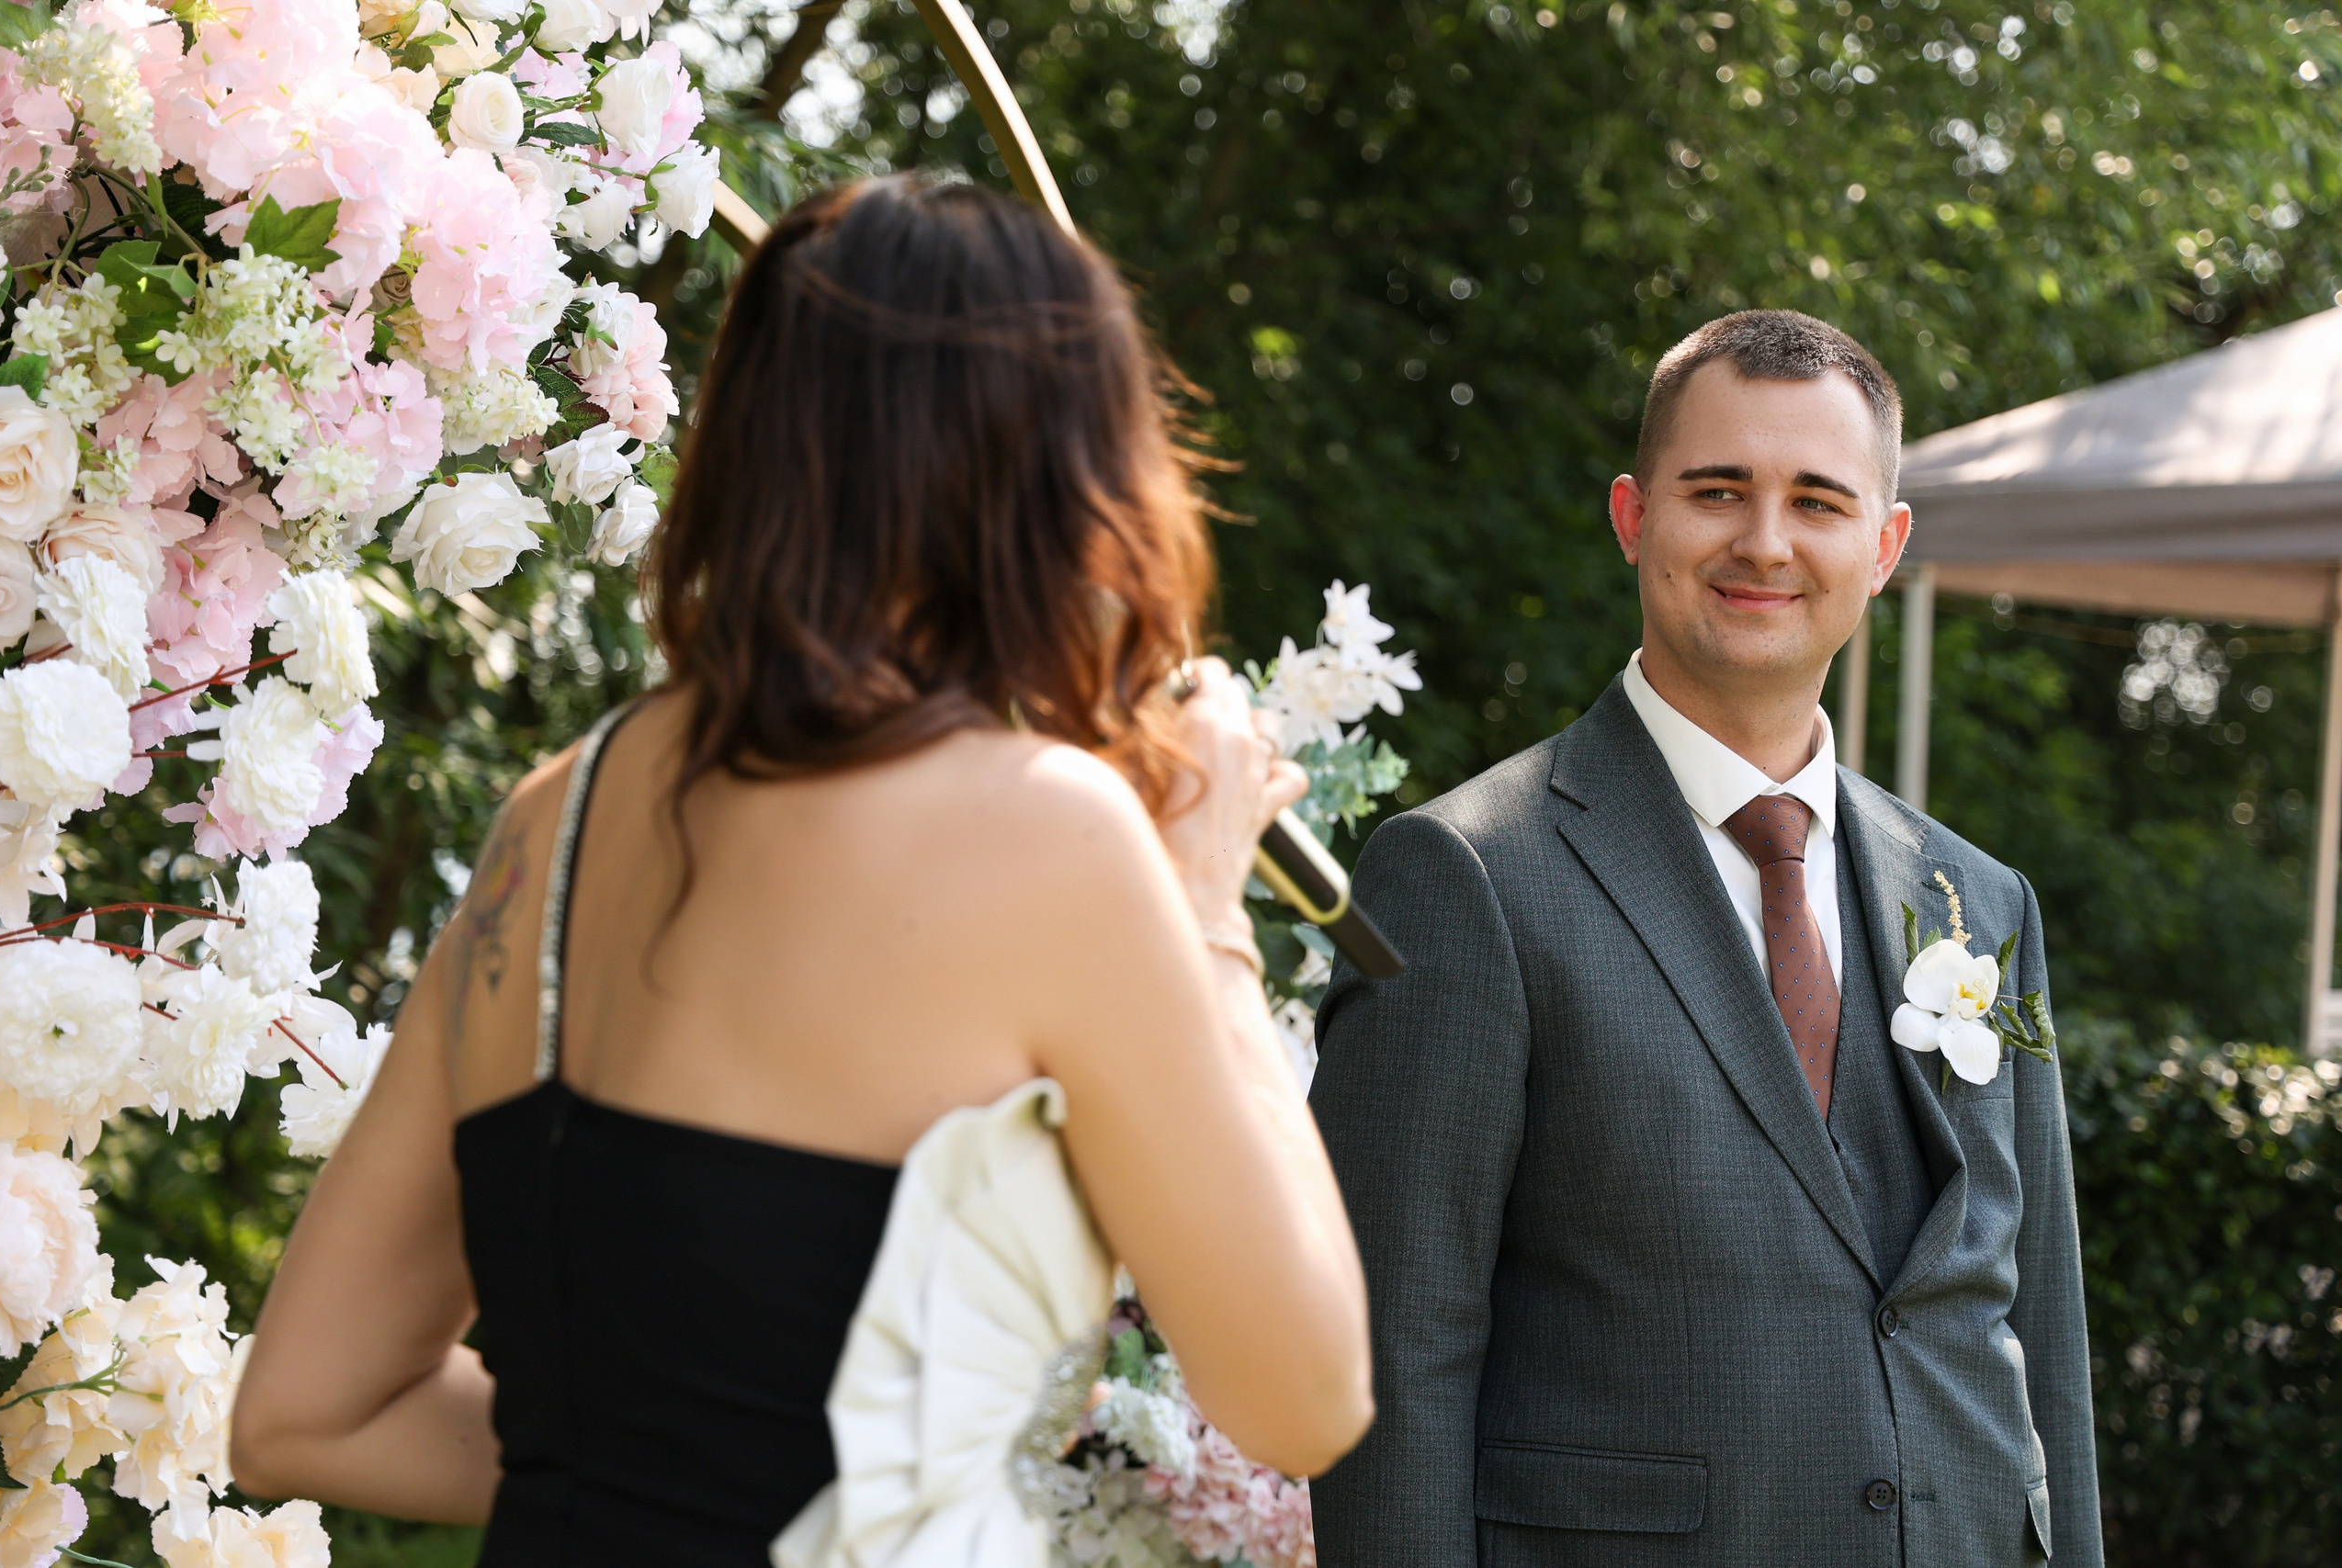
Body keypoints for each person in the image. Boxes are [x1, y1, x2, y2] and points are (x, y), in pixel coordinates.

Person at [230, 175, 1373, 1566]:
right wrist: (1205, 905)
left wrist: (638, 1469)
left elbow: (309, 1413)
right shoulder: (1051, 834)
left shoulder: (551, 820)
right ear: (1059, 471)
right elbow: (1309, 1398)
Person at [1307, 310, 2100, 1567]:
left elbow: (2041, 1335)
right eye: (1717, 490)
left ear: (1885, 547)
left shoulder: (1981, 901)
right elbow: (1390, 1358)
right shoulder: (1466, 877)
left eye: (1818, 501)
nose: (1765, 541)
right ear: (1634, 517)